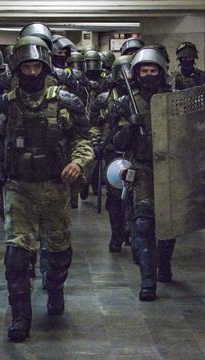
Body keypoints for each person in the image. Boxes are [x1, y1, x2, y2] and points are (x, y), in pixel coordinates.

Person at [0, 36, 94, 342]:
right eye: (26, 67)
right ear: (17, 70)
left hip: (56, 187)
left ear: (44, 68)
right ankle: (20, 317)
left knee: (58, 252)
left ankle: (55, 287)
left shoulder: (67, 102)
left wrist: (79, 164)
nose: (31, 73)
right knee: (17, 257)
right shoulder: (4, 105)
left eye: (36, 67)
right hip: (19, 188)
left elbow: (85, 139)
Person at [112, 47, 174, 300]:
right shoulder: (126, 102)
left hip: (170, 166)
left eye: (153, 70)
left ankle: (165, 264)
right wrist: (130, 128)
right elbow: (115, 142)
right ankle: (148, 281)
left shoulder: (174, 100)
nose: (149, 75)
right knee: (143, 223)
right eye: (144, 71)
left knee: (169, 224)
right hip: (141, 166)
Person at [89, 55, 132, 252]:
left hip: (136, 151)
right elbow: (95, 126)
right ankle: (117, 233)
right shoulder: (104, 99)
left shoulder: (142, 98)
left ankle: (131, 229)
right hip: (112, 151)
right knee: (114, 198)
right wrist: (96, 144)